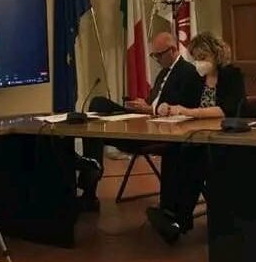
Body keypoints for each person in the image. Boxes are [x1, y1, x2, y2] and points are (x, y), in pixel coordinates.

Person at [80, 32, 200, 211]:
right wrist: (141, 105)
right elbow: (153, 102)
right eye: (154, 55)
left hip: (157, 131)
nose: (156, 59)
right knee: (96, 109)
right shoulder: (163, 73)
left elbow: (181, 107)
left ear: (173, 50)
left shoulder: (187, 72)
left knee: (96, 120)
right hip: (143, 119)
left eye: (159, 55)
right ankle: (91, 179)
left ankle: (90, 183)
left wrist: (150, 109)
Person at [147, 32, 246, 244]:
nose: (199, 62)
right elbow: (183, 103)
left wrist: (189, 112)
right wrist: (168, 108)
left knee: (195, 159)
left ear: (216, 54)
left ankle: (179, 220)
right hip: (199, 135)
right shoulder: (196, 77)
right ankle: (170, 213)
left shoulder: (232, 75)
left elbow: (226, 109)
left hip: (226, 136)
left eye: (202, 57)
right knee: (174, 151)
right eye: (195, 58)